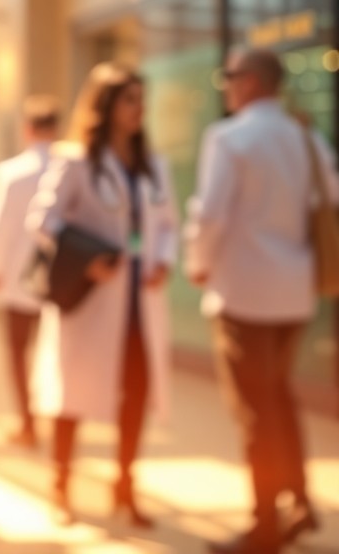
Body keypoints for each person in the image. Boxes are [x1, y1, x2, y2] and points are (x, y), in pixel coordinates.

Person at [185, 48, 335, 554]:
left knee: (254, 410)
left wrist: (198, 262)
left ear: (249, 81)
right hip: (294, 292)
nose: (225, 85)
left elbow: (210, 214)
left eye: (229, 76)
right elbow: (331, 196)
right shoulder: (305, 136)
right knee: (279, 396)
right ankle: (299, 502)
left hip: (244, 293)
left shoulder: (229, 137)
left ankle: (264, 525)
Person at [26, 63, 178, 529]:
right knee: (72, 393)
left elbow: (167, 223)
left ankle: (125, 485)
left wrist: (163, 259)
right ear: (106, 105)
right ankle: (61, 486)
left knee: (136, 391)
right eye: (129, 99)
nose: (138, 109)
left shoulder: (152, 165)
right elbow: (43, 220)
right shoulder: (75, 160)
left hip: (138, 300)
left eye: (141, 100)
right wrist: (87, 258)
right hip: (92, 297)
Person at [0, 95, 61, 448]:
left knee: (18, 353)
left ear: (27, 129)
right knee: (56, 351)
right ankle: (56, 420)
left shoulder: (10, 173)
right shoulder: (66, 167)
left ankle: (28, 422)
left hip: (16, 277)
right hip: (60, 279)